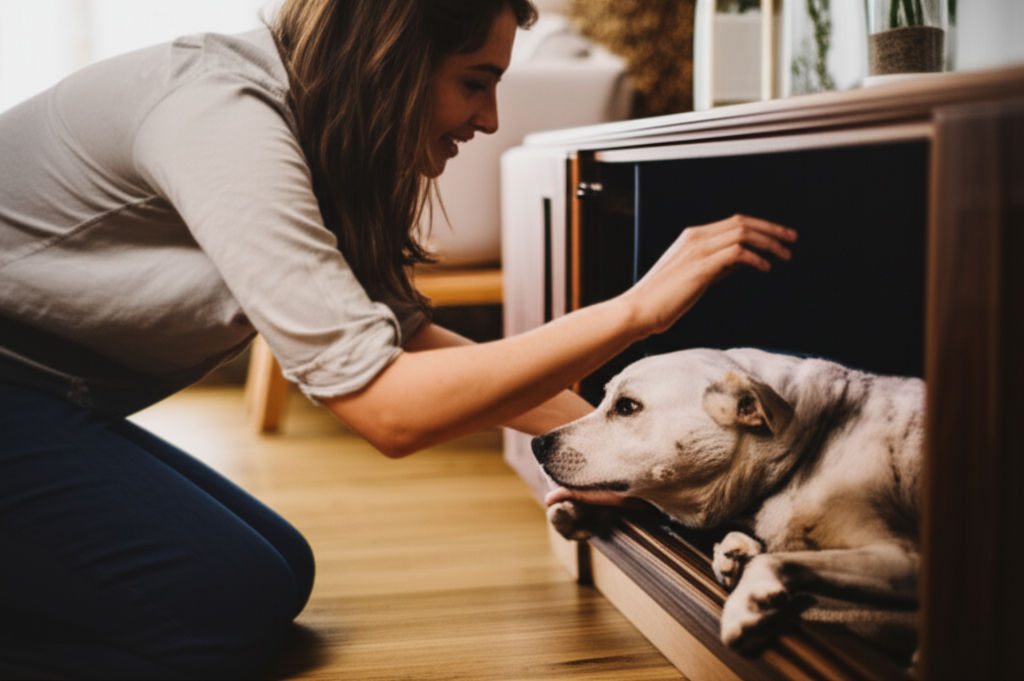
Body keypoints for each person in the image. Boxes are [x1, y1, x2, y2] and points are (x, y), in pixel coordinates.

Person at [0, 0, 797, 678]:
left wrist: (608, 448)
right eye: (474, 84)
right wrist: (635, 310)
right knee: (228, 601)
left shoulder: (311, 139)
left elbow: (407, 343)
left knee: (281, 567)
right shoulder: (220, 113)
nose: (488, 119)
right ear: (386, 61)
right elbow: (391, 411)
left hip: (47, 398)